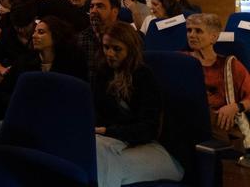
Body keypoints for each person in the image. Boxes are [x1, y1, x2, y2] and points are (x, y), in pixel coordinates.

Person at [94, 23, 184, 187]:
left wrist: (108, 131)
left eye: (117, 49)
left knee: (102, 159)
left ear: (130, 49)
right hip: (114, 144)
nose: (110, 54)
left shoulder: (143, 76)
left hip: (148, 147)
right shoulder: (102, 73)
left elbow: (149, 128)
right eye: (106, 47)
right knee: (96, 152)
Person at [185, 13, 250, 150]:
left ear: (214, 37)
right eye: (189, 30)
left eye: (198, 31)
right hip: (186, 120)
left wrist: (236, 107)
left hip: (219, 125)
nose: (191, 35)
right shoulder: (179, 60)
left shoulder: (229, 64)